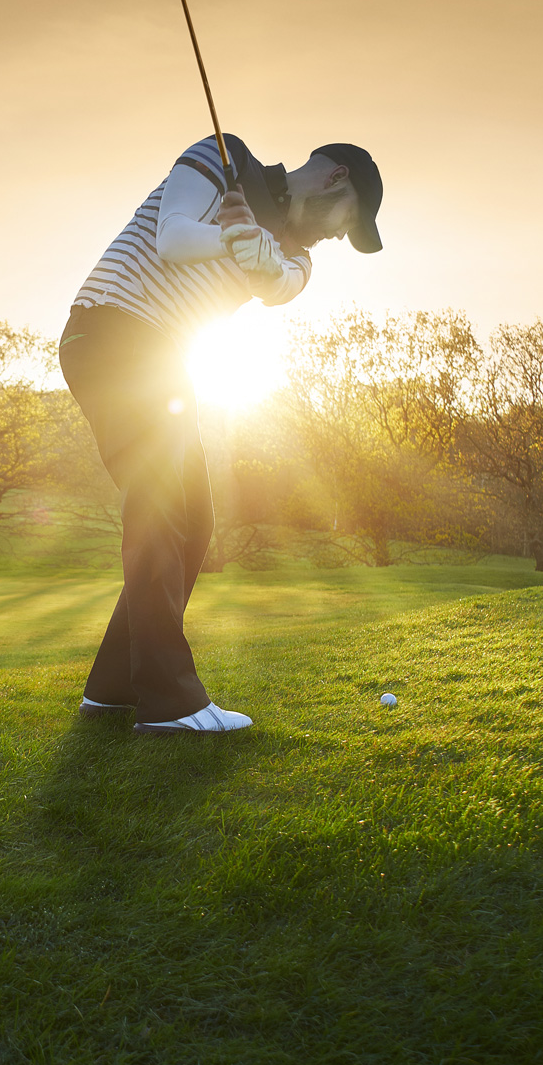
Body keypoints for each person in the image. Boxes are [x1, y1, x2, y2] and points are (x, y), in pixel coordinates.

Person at [59, 133, 384, 734]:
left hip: (163, 364)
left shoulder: (298, 254)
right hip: (111, 329)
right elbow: (174, 236)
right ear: (337, 181)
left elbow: (281, 285)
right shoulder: (225, 155)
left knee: (195, 520)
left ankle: (112, 689)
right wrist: (233, 239)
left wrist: (257, 247)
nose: (339, 235)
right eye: (348, 222)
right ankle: (169, 701)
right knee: (159, 507)